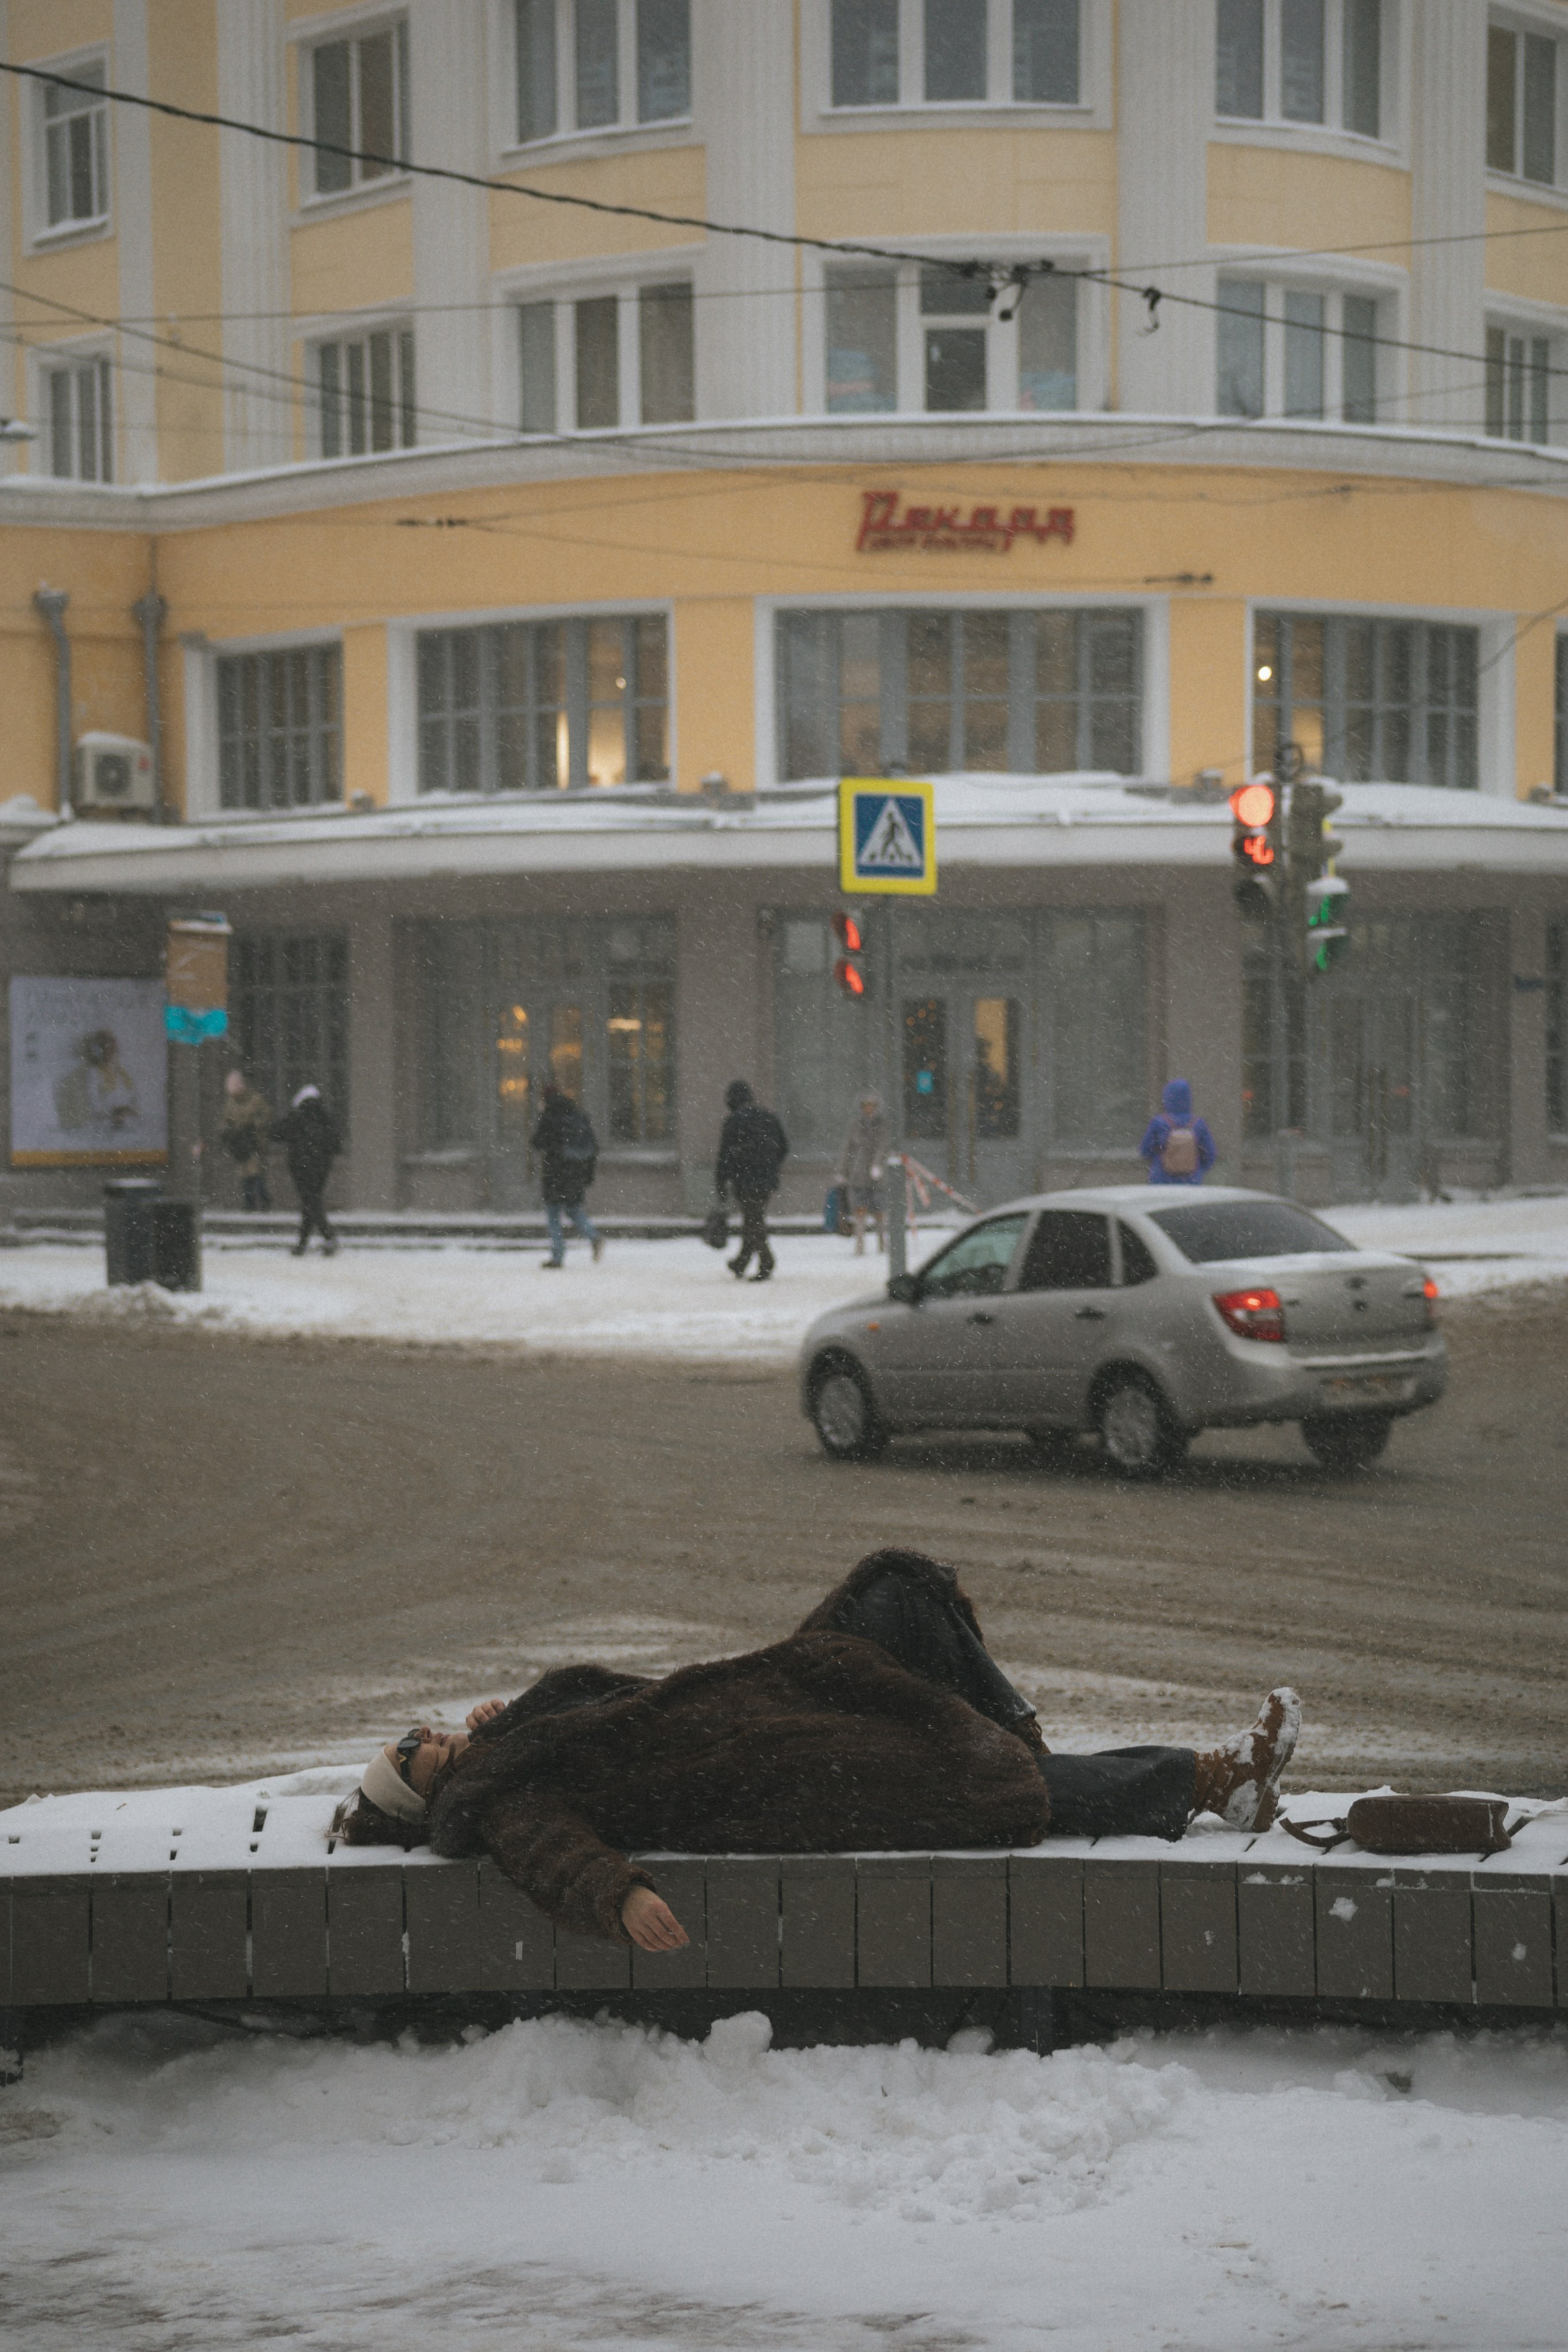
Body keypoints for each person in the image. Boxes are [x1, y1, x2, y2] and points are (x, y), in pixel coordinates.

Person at [334, 1548, 1301, 1952]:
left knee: (895, 1589)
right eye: (418, 1753)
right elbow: (553, 1851)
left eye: (420, 1732)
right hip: (775, 1772)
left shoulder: (505, 1751)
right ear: (433, 1795)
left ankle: (1013, 1736)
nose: (432, 1734)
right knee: (972, 1781)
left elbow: (620, 1708)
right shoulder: (494, 1807)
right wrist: (621, 1894)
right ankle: (1213, 1782)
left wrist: (518, 1720)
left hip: (770, 1697)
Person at [715, 1078, 789, 1281]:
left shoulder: (733, 1122)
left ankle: (767, 1261)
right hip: (765, 1178)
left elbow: (725, 1157)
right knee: (752, 1219)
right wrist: (770, 1165)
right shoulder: (769, 1117)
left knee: (754, 1221)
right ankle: (742, 1261)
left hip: (745, 1179)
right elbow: (783, 1147)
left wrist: (721, 1183)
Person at [530, 1084, 604, 1270]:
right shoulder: (576, 1114)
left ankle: (557, 1256)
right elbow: (593, 1146)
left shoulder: (550, 1117)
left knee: (553, 1214)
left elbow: (538, 1142)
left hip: (554, 1173)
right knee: (574, 1209)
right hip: (574, 1174)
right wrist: (587, 1174)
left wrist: (542, 1118)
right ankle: (593, 1236)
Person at [271, 1083, 341, 1256]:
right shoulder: (325, 1118)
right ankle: (305, 1243)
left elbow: (276, 1133)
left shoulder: (297, 1117)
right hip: (321, 1167)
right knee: (311, 1202)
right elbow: (336, 1143)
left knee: (310, 1202)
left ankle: (327, 1237)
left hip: (300, 1166)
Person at [1140, 1077, 1216, 1186]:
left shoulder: (1159, 1122)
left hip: (1161, 1180)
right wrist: (1198, 1168)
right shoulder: (1198, 1124)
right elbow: (1210, 1155)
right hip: (1192, 1181)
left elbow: (1145, 1150)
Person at [838, 1090, 886, 1257]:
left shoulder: (883, 1125)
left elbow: (884, 1146)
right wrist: (843, 1171)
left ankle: (882, 1243)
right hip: (858, 1174)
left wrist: (878, 1165)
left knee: (879, 1209)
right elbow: (848, 1148)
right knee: (860, 1208)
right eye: (866, 1106)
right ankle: (860, 1244)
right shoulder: (855, 1125)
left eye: (872, 1106)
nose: (869, 1109)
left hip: (877, 1176)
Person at [219, 1069, 273, 1213]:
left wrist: (255, 1126)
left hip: (254, 1142)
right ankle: (251, 1202)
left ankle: (262, 1200)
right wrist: (227, 1131)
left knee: (255, 1172)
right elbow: (226, 1121)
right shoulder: (231, 1103)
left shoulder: (255, 1099)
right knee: (245, 1173)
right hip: (240, 1143)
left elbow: (266, 1116)